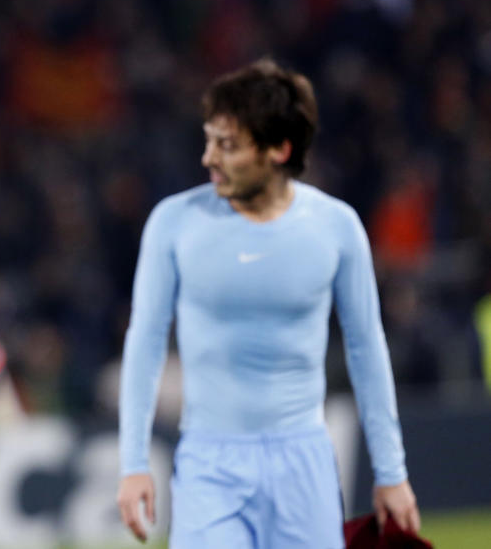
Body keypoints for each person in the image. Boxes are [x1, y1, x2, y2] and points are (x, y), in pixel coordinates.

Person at [116, 58, 421, 548]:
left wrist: (392, 472)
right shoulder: (173, 223)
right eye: (209, 139)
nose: (208, 158)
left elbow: (367, 350)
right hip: (208, 465)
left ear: (279, 149)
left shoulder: (336, 228)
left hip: (304, 464)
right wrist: (133, 464)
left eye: (228, 145)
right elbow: (145, 343)